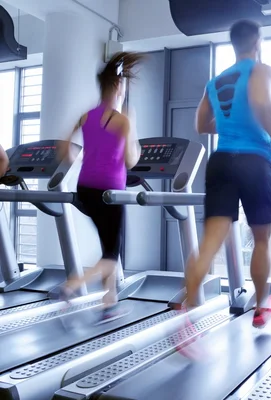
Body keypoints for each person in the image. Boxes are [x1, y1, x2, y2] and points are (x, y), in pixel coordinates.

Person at [184, 19, 271, 330]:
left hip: (221, 161)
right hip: (255, 160)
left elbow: (201, 125)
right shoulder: (262, 71)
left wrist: (230, 126)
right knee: (261, 240)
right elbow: (261, 102)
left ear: (233, 44)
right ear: (256, 42)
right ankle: (260, 307)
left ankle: (187, 314)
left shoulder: (215, 81)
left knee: (209, 243)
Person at [57, 52, 143, 324]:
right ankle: (72, 285)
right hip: (110, 193)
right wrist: (134, 129)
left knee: (107, 244)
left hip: (85, 190)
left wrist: (82, 157)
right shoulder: (123, 120)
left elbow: (63, 150)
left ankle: (110, 302)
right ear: (118, 87)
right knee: (111, 254)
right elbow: (130, 160)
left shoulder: (86, 117)